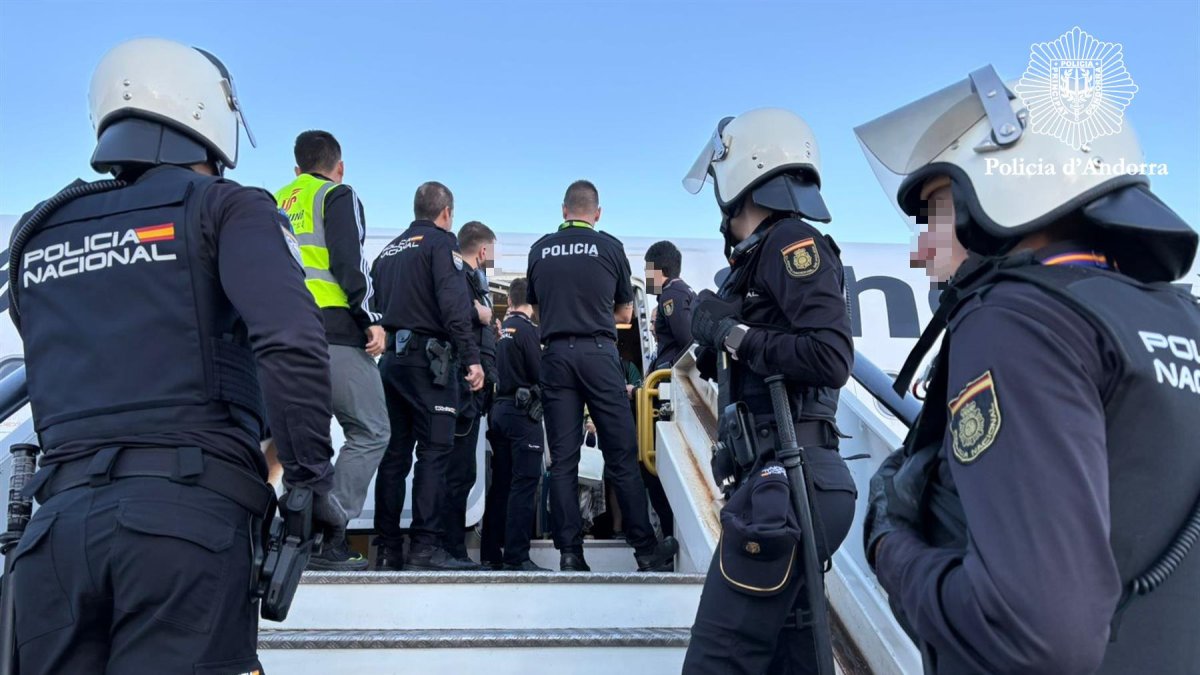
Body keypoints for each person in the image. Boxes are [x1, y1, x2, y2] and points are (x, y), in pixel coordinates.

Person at [6, 38, 345, 672]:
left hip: (51, 538)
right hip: (184, 526)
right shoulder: (227, 206)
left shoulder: (41, 229)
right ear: (209, 118)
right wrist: (310, 481)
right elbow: (292, 339)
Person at [858, 64, 1200, 674]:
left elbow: (1034, 633)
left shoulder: (1017, 318)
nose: (920, 251)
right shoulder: (1179, 320)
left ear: (996, 192)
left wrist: (891, 550)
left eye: (933, 215)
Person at [679, 107, 858, 674]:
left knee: (718, 660)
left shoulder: (790, 241)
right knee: (790, 659)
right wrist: (719, 338)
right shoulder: (757, 262)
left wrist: (735, 333)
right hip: (781, 478)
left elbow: (830, 356)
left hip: (790, 476)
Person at [525, 180, 678, 572]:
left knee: (562, 461)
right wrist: (592, 315)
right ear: (597, 213)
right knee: (622, 456)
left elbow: (539, 313)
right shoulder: (610, 247)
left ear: (563, 211)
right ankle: (645, 551)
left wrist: (566, 317)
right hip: (598, 353)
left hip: (556, 355)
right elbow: (626, 314)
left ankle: (570, 554)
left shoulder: (539, 249)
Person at [276, 130, 388, 571]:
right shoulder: (337, 195)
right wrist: (370, 319)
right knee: (372, 428)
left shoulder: (273, 200)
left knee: (306, 438)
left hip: (282, 335)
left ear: (296, 167)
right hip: (333, 330)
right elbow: (348, 261)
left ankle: (292, 535)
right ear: (338, 166)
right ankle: (331, 527)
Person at [370, 181, 485, 571]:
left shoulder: (387, 252)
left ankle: (386, 549)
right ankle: (424, 548)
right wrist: (472, 358)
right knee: (435, 454)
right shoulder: (442, 243)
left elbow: (374, 307)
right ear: (446, 212)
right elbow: (453, 306)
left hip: (391, 364)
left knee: (394, 457)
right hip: (429, 365)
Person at [480, 278, 551, 571]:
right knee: (524, 485)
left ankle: (490, 553)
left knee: (501, 486)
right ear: (532, 303)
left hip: (499, 411)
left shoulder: (500, 333)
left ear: (509, 300)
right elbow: (540, 373)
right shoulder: (528, 332)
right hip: (523, 415)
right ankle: (517, 556)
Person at [441, 220, 499, 567]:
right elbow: (456, 321)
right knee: (457, 471)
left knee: (463, 472)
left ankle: (451, 546)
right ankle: (450, 547)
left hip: (471, 392)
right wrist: (478, 313)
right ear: (482, 250)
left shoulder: (472, 281)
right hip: (464, 389)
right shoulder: (461, 279)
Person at [644, 240, 696, 370]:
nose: (646, 276)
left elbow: (687, 340)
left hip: (671, 377)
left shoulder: (671, 294)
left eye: (647, 270)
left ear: (659, 271)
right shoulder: (681, 290)